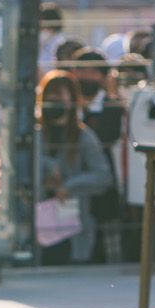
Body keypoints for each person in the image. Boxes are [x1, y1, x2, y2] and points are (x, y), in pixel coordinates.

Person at [35, 70, 114, 265]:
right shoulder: (34, 134)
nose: (54, 100)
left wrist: (69, 186)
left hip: (72, 227)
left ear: (71, 99)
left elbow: (103, 175)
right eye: (49, 96)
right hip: (36, 226)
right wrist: (48, 166)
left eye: (59, 95)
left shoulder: (84, 136)